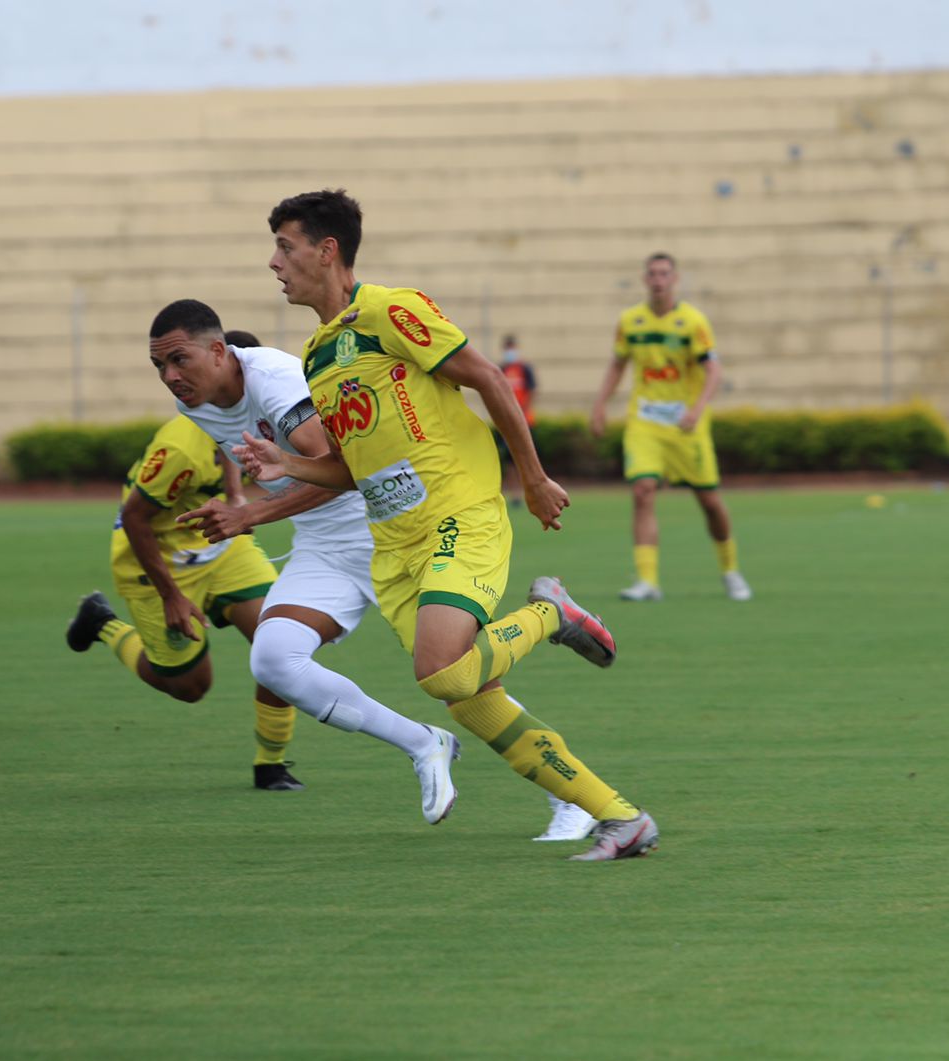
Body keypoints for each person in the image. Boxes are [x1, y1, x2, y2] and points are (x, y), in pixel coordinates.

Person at [253, 188, 657, 860]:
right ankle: (621, 817)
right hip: (396, 546)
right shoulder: (319, 357)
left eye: (285, 247)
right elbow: (357, 469)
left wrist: (531, 476)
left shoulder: (390, 310)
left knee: (441, 673)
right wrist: (284, 467)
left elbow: (488, 377)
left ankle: (550, 615)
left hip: (456, 512)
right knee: (469, 696)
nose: (274, 262)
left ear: (327, 251)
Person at [72, 308, 461, 817]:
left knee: (458, 677)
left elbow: (343, 471)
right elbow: (226, 464)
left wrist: (251, 512)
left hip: (387, 529)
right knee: (269, 661)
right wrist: (238, 504)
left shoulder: (276, 385)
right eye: (159, 366)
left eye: (178, 360)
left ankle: (571, 784)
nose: (169, 376)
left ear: (219, 353)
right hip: (312, 545)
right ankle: (423, 743)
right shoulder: (192, 406)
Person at [66, 404, 306, 790]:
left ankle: (271, 765)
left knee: (280, 640)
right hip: (158, 564)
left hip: (221, 547)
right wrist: (171, 596)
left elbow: (228, 446)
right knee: (190, 687)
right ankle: (102, 623)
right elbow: (134, 519)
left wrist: (234, 495)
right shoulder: (181, 449)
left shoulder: (242, 416)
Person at [590, 253, 752, 603]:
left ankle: (731, 571)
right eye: (652, 274)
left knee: (709, 501)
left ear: (674, 279)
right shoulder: (630, 321)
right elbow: (618, 364)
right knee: (642, 491)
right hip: (645, 422)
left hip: (685, 425)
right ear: (644, 279)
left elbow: (713, 370)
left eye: (664, 273)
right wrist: (600, 404)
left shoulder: (693, 321)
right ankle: (648, 580)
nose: (658, 279)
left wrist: (696, 409)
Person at [494, 334, 537, 507]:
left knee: (526, 458)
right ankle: (515, 494)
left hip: (525, 421)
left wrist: (521, 412)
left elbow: (532, 391)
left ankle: (530, 491)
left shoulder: (525, 369)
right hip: (506, 422)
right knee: (509, 462)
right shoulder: (500, 370)